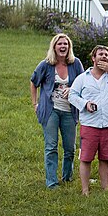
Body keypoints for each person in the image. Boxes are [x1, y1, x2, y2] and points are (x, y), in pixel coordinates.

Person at [68, 45, 108, 195]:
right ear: (93, 58)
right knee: (86, 158)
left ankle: (106, 189)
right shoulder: (83, 78)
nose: (104, 57)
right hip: (90, 124)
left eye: (106, 55)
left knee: (105, 159)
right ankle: (85, 190)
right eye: (100, 54)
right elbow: (72, 95)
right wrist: (85, 104)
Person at [30, 33, 85, 188]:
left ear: (69, 47)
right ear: (54, 47)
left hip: (69, 110)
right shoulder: (46, 64)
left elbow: (83, 84)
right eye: (60, 44)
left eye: (65, 44)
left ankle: (67, 177)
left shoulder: (76, 64)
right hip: (50, 110)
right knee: (51, 146)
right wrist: (35, 104)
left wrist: (73, 89)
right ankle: (52, 182)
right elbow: (33, 82)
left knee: (70, 148)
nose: (63, 47)